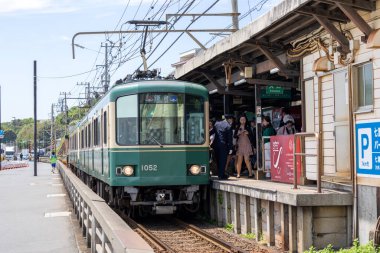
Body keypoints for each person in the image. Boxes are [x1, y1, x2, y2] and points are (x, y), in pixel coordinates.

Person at [210, 113, 233, 180]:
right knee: (223, 160)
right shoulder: (228, 126)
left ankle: (220, 174)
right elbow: (229, 139)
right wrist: (230, 148)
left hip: (216, 145)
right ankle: (221, 175)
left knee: (218, 160)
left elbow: (211, 132)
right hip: (223, 145)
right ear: (230, 119)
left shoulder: (217, 123)